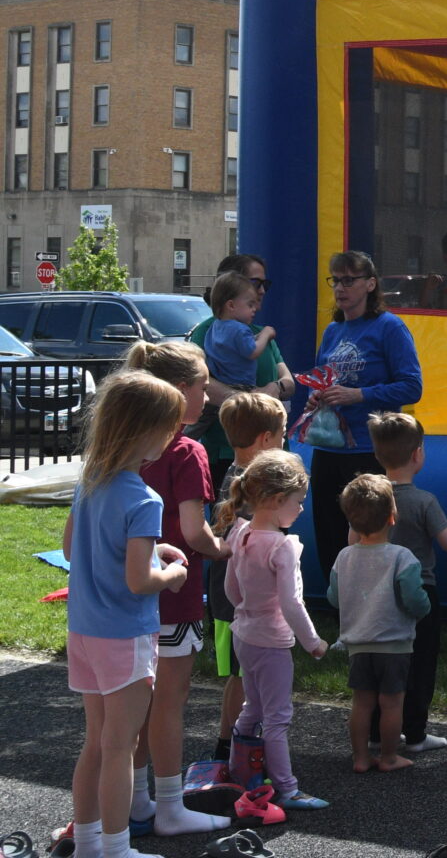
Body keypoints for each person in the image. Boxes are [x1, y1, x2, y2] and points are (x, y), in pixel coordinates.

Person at [63, 370, 191, 858]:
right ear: (149, 433)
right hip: (126, 635)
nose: (173, 435)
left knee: (96, 743)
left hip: (85, 631)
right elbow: (140, 582)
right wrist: (170, 575)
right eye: (170, 427)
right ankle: (116, 849)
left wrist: (152, 552)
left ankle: (90, 844)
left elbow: (74, 549)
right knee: (120, 747)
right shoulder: (144, 497)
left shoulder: (90, 481)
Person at [119, 341, 229, 837]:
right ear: (180, 390)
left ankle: (138, 800)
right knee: (169, 702)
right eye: (203, 385)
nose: (207, 396)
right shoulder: (188, 450)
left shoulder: (121, 446)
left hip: (123, 595)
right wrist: (225, 547)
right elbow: (192, 532)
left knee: (135, 705)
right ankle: (169, 806)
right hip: (173, 592)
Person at [301, 250, 424, 573]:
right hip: (329, 445)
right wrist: (317, 398)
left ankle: (372, 600)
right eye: (336, 281)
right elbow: (321, 379)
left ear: (370, 284)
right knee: (329, 530)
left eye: (349, 280)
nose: (341, 288)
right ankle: (339, 597)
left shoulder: (389, 327)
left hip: (370, 448)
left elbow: (412, 387)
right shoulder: (333, 331)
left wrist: (359, 395)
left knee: (369, 531)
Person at [221, 449, 329, 808]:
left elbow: (230, 587)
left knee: (252, 708)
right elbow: (291, 603)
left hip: (244, 635)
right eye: (298, 502)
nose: (300, 509)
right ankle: (287, 788)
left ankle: (240, 769)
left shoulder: (241, 533)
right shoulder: (282, 547)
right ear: (278, 499)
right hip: (272, 643)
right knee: (278, 717)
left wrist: (243, 610)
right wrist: (312, 642)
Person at [206, 393, 289, 767]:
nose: (285, 440)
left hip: (232, 591)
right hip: (238, 595)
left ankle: (231, 745)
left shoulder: (234, 473)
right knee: (243, 675)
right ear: (265, 439)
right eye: (282, 433)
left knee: (241, 674)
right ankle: (235, 748)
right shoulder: (254, 483)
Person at [330, 472, 433, 773]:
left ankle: (360, 757)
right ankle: (388, 757)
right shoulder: (403, 557)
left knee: (362, 704)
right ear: (392, 517)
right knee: (391, 703)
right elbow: (415, 599)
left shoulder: (344, 558)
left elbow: (334, 598)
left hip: (358, 644)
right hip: (394, 644)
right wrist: (423, 609)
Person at [370, 412, 447, 754]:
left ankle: (378, 731)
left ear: (378, 456)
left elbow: (352, 538)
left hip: (379, 592)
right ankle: (416, 733)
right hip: (421, 591)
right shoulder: (424, 501)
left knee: (384, 660)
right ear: (418, 454)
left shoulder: (372, 497)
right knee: (421, 661)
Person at [188, 253, 295, 474]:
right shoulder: (206, 331)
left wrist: (275, 388)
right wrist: (251, 402)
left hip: (271, 449)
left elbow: (289, 382)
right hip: (228, 452)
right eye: (256, 283)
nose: (262, 291)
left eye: (265, 284)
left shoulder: (256, 333)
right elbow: (202, 381)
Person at [201, 272, 276, 396]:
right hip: (242, 385)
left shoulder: (216, 326)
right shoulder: (240, 329)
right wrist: (266, 334)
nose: (254, 309)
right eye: (250, 304)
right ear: (231, 305)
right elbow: (252, 352)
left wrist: (255, 338)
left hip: (223, 382)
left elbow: (236, 346)